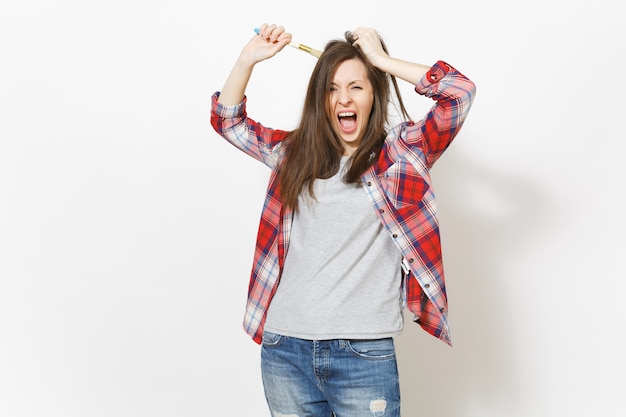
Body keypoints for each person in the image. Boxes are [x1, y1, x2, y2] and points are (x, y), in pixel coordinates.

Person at [210, 22, 476, 417]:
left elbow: (458, 93)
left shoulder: (399, 155)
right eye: (332, 88)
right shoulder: (292, 154)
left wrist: (381, 60)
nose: (343, 98)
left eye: (356, 86)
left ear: (375, 93)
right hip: (285, 348)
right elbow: (228, 122)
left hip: (363, 353)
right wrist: (248, 58)